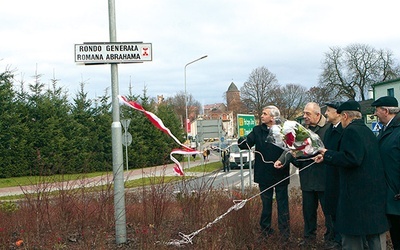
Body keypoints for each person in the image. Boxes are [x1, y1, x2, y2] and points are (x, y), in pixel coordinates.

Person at [315, 100, 389, 250]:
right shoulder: (367, 131)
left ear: (345, 116)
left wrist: (328, 155)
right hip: (372, 196)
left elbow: (352, 158)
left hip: (356, 197)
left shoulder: (351, 131)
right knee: (374, 237)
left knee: (353, 239)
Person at [275, 102, 332, 247]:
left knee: (330, 214)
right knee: (308, 213)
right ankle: (309, 240)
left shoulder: (329, 130)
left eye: (308, 114)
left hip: (325, 180)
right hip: (307, 179)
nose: (304, 116)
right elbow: (292, 149)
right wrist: (282, 160)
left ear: (318, 115)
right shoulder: (302, 130)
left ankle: (331, 241)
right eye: (304, 113)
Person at [237, 105, 290, 239]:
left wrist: (284, 161)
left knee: (282, 205)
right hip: (264, 174)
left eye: (264, 114)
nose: (261, 116)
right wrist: (241, 141)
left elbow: (290, 149)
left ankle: (284, 233)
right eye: (262, 113)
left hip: (280, 173)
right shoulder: (257, 131)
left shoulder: (284, 130)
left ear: (272, 117)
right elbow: (247, 143)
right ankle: (265, 230)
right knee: (266, 205)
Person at [372, 96, 400, 250]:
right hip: (390, 195)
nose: (375, 114)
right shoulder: (385, 130)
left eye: (377, 110)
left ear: (386, 111)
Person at [322, 101, 343, 249]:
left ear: (338, 113)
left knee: (340, 211)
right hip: (329, 176)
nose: (326, 113)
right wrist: (323, 156)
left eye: (329, 111)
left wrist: (329, 156)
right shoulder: (329, 130)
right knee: (332, 211)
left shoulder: (345, 131)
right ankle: (335, 239)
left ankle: (341, 241)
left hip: (340, 178)